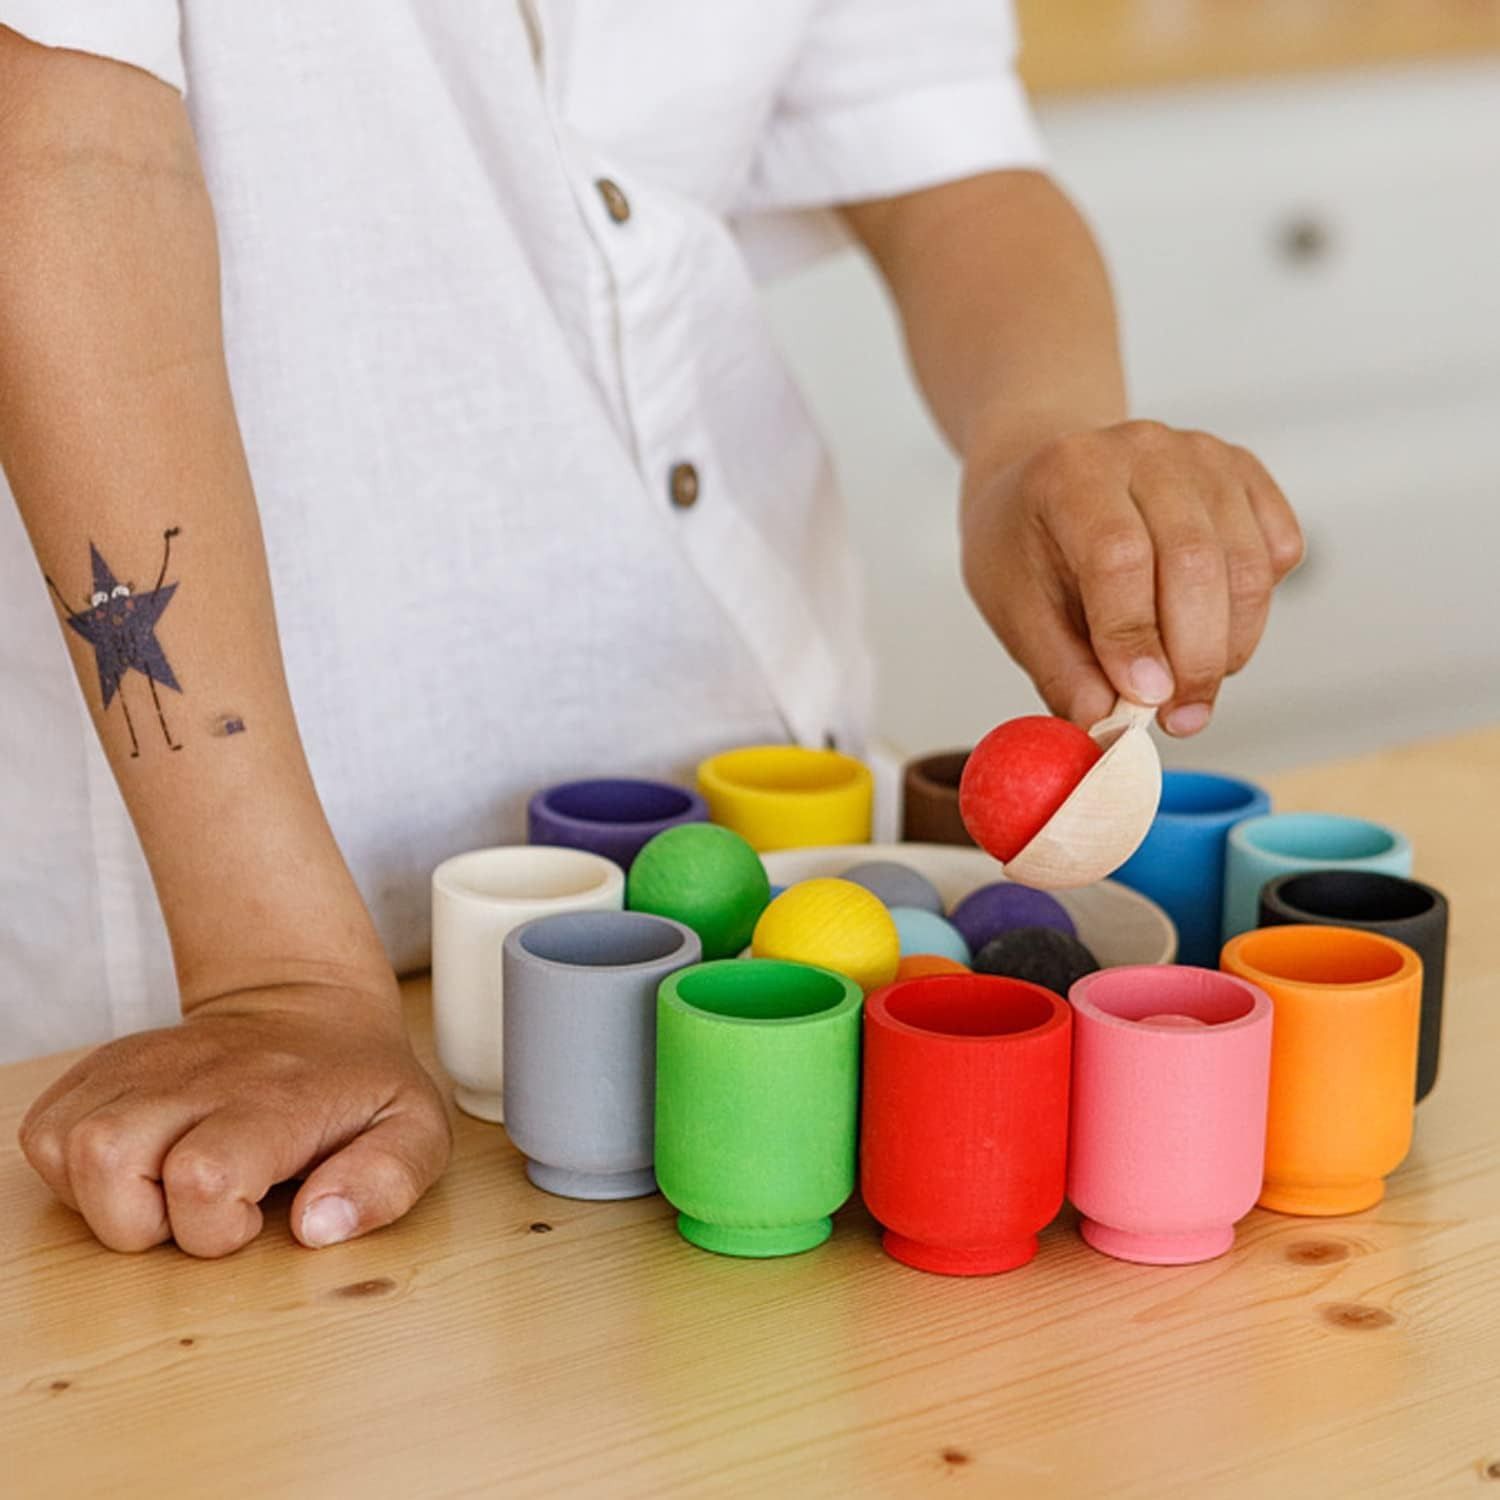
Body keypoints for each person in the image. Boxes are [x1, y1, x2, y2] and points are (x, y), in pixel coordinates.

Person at [0, 4, 1302, 1259]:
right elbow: (61, 148)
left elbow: (938, 149)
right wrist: (272, 975)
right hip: (247, 948)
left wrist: (1035, 438)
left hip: (766, 840)